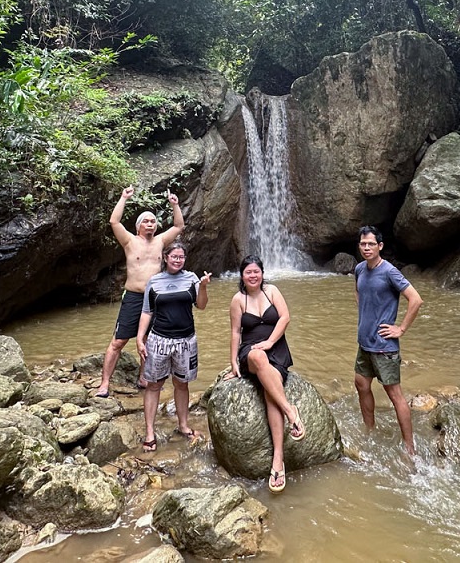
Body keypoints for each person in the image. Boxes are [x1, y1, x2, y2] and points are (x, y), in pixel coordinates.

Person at [94, 186, 184, 398]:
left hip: (155, 299)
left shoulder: (161, 241)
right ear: (138, 227)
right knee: (118, 341)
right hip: (134, 297)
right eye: (146, 221)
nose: (150, 224)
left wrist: (175, 204)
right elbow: (114, 222)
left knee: (151, 341)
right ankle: (104, 383)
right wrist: (124, 197)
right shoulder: (129, 242)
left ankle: (145, 378)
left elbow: (179, 225)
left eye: (153, 221)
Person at [226, 254, 305, 493]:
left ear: (262, 273)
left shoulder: (272, 291)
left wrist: (270, 341)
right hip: (251, 352)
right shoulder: (238, 300)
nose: (253, 275)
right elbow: (235, 333)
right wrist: (233, 362)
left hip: (276, 349)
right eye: (248, 272)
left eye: (256, 271)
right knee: (258, 357)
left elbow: (285, 317)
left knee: (271, 394)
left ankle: (277, 461)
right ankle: (291, 411)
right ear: (242, 275)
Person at [353, 225, 422, 454]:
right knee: (361, 384)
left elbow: (416, 300)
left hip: (384, 346)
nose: (366, 247)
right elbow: (359, 293)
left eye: (371, 244)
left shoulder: (390, 271)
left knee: (395, 395)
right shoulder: (360, 269)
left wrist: (400, 328)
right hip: (364, 343)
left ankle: (409, 448)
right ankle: (369, 431)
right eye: (363, 243)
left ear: (380, 246)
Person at [137, 240, 210, 450]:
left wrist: (203, 287)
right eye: (174, 256)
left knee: (181, 383)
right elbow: (147, 311)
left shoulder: (192, 279)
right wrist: (140, 338)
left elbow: (202, 305)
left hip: (186, 340)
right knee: (153, 385)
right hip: (159, 339)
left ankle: (183, 425)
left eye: (181, 257)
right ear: (166, 258)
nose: (178, 260)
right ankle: (150, 432)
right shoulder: (155, 281)